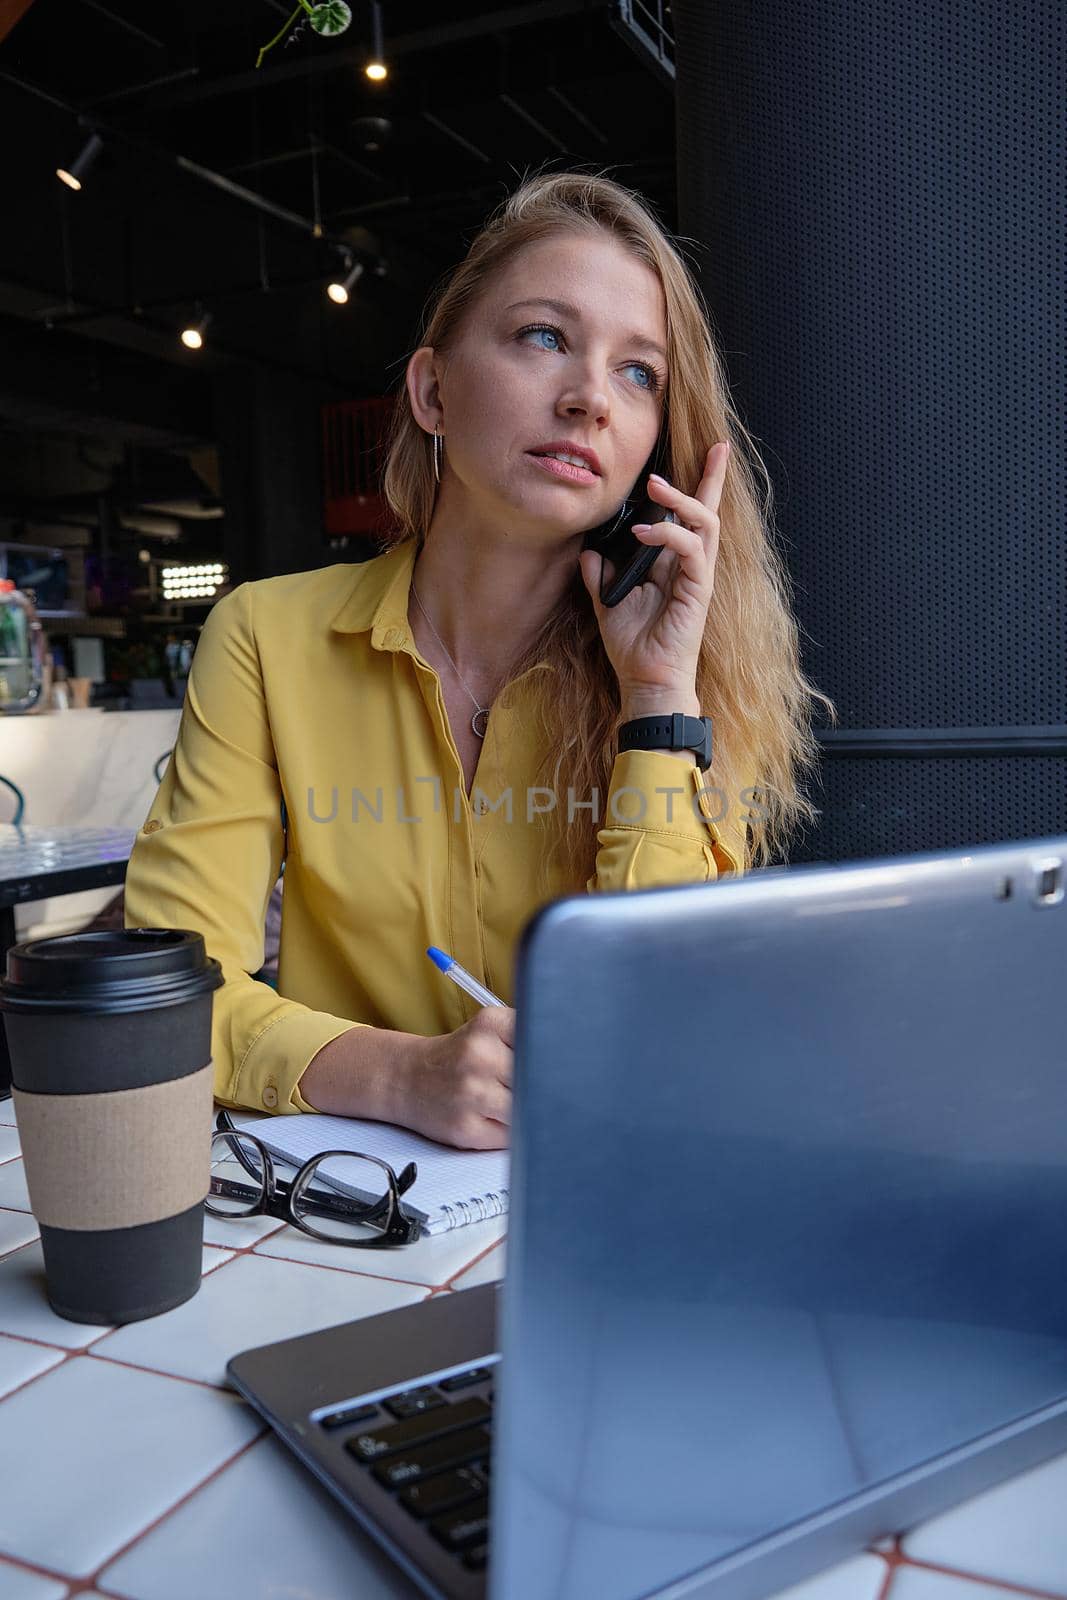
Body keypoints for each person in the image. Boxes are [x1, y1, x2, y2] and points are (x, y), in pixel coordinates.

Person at [123, 170, 834, 1149]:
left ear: (651, 451)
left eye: (639, 374)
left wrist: (655, 699)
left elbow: (670, 1014)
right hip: (343, 1205)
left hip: (606, 1188)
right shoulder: (264, 637)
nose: (589, 397)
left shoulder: (689, 682)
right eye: (543, 336)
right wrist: (404, 1075)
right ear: (432, 391)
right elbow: (170, 987)